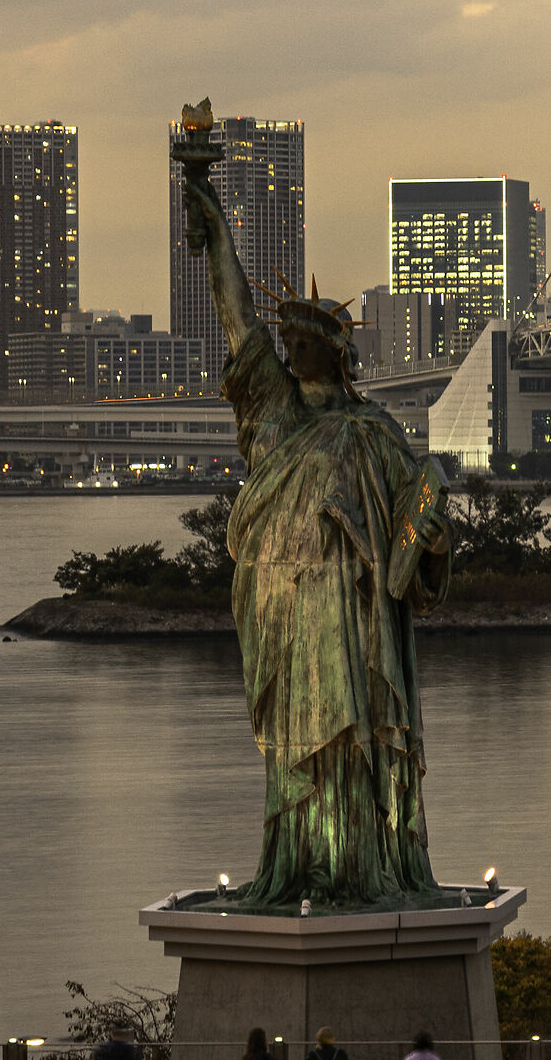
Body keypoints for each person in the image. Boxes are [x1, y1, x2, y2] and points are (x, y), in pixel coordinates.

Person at [179, 158, 453, 907]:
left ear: (335, 350)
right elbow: (237, 319)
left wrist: (431, 539)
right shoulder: (275, 415)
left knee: (352, 733)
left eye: (302, 340)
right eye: (287, 339)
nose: (288, 349)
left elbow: (413, 540)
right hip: (286, 605)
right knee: (300, 739)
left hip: (353, 611)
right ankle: (302, 860)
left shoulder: (376, 432)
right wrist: (217, 240)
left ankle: (360, 861)